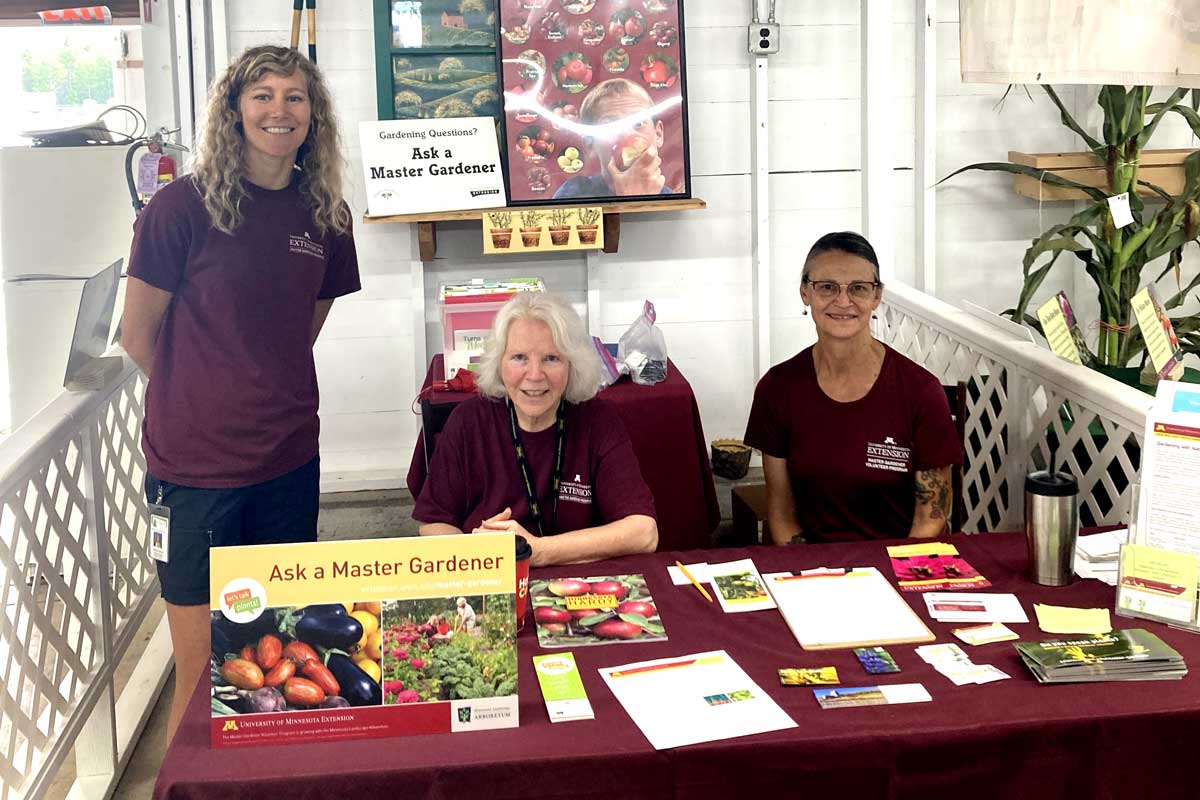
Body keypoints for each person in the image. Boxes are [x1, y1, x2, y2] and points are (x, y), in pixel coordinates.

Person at [120, 45, 360, 739]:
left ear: (314, 118)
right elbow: (139, 339)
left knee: (276, 658)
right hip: (195, 474)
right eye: (262, 95)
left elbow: (294, 333)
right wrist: (205, 398)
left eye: (295, 97)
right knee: (202, 675)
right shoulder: (178, 208)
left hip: (288, 462)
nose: (278, 110)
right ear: (233, 111)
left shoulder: (326, 218)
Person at [744, 232, 960, 544]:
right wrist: (814, 573)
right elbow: (782, 514)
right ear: (805, 292)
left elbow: (931, 521)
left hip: (899, 567)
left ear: (876, 296)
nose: (843, 301)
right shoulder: (777, 389)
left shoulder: (921, 391)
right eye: (827, 287)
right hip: (813, 569)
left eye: (858, 288)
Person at [414, 292, 658, 566]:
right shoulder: (468, 421)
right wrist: (476, 556)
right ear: (498, 363)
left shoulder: (598, 421)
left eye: (551, 358)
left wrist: (540, 550)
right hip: (494, 580)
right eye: (519, 357)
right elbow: (433, 522)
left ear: (572, 364)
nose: (534, 375)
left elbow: (644, 532)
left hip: (579, 590)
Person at [553, 78, 676, 199]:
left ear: (658, 134)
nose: (627, 135)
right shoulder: (573, 194)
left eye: (638, 124)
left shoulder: (672, 203)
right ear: (589, 143)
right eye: (611, 126)